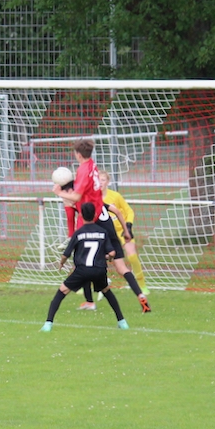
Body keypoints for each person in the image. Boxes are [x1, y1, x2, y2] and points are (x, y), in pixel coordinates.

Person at [53, 138, 150, 313]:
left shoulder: (83, 172)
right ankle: (141, 296)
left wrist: (59, 192)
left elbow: (75, 198)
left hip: (94, 221)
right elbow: (116, 210)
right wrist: (126, 231)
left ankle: (90, 301)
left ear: (78, 154)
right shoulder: (93, 166)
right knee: (121, 267)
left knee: (82, 263)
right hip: (107, 221)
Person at [41, 202, 129, 332]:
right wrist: (107, 258)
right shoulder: (103, 232)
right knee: (107, 292)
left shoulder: (79, 233)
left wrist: (62, 263)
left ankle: (48, 324)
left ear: (81, 215)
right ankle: (122, 322)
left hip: (82, 270)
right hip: (99, 270)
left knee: (61, 292)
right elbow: (112, 253)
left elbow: (66, 254)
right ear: (95, 214)